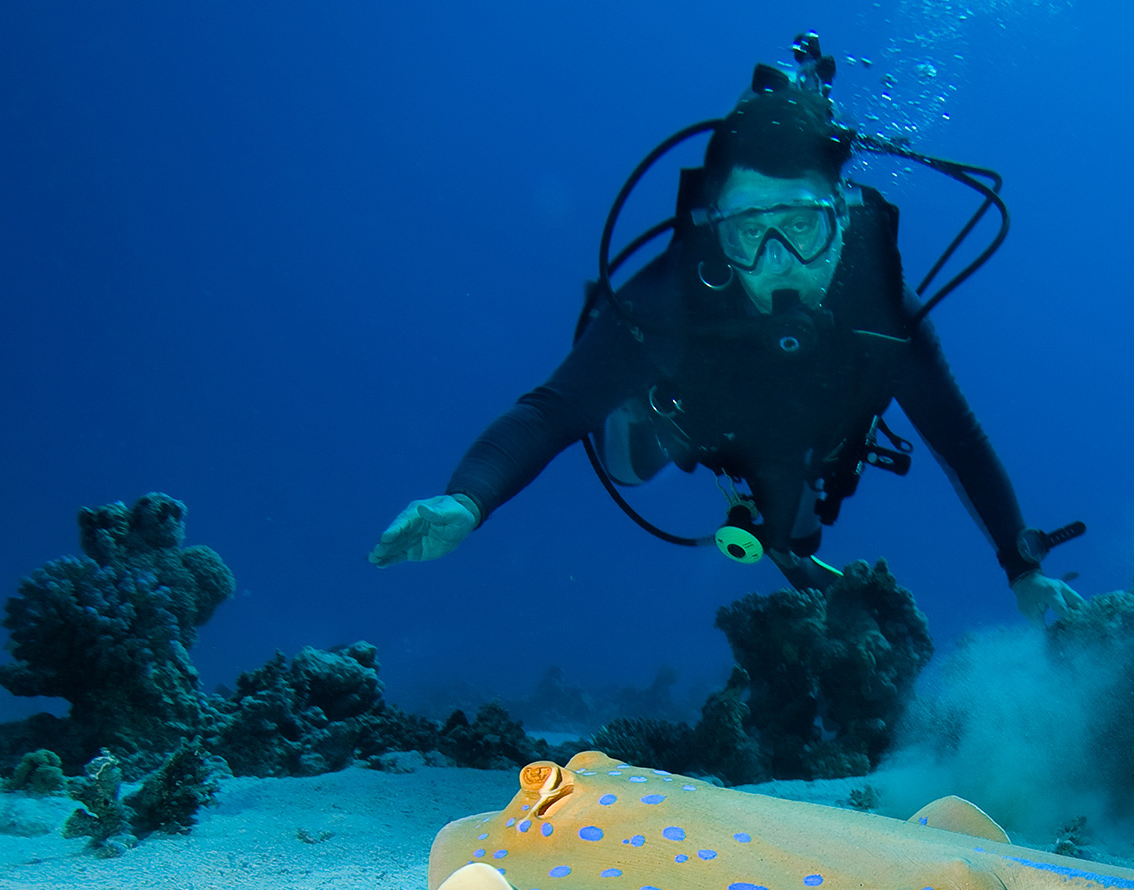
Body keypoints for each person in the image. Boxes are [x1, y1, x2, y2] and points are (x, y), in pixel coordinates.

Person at [369, 45, 1086, 625]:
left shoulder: (881, 307)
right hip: (693, 417)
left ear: (843, 216)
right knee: (624, 457)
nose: (778, 262)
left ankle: (784, 538)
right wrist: (467, 499)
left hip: (806, 438)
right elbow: (552, 409)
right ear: (715, 227)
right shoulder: (675, 291)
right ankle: (657, 423)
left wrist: (1023, 568)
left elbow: (956, 435)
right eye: (750, 229)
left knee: (799, 533)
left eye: (801, 226)